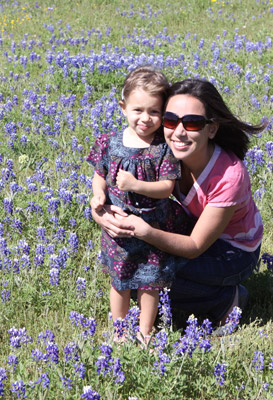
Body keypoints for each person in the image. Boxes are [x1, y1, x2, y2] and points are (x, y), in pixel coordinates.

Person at [92, 78, 265, 329]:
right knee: (128, 270)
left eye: (193, 123)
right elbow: (114, 186)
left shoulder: (229, 175)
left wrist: (145, 232)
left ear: (212, 129)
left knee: (147, 274)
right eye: (170, 120)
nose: (179, 132)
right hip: (189, 226)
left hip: (233, 251)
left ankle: (227, 301)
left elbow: (194, 246)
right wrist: (100, 214)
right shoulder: (165, 151)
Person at [86, 66, 191, 344]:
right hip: (118, 227)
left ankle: (146, 331)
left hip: (152, 224)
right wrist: (98, 195)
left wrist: (135, 185)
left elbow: (167, 187)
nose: (145, 118)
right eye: (138, 110)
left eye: (154, 112)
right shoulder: (108, 142)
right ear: (123, 107)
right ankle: (120, 332)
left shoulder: (163, 147)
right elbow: (99, 176)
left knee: (150, 281)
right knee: (118, 281)